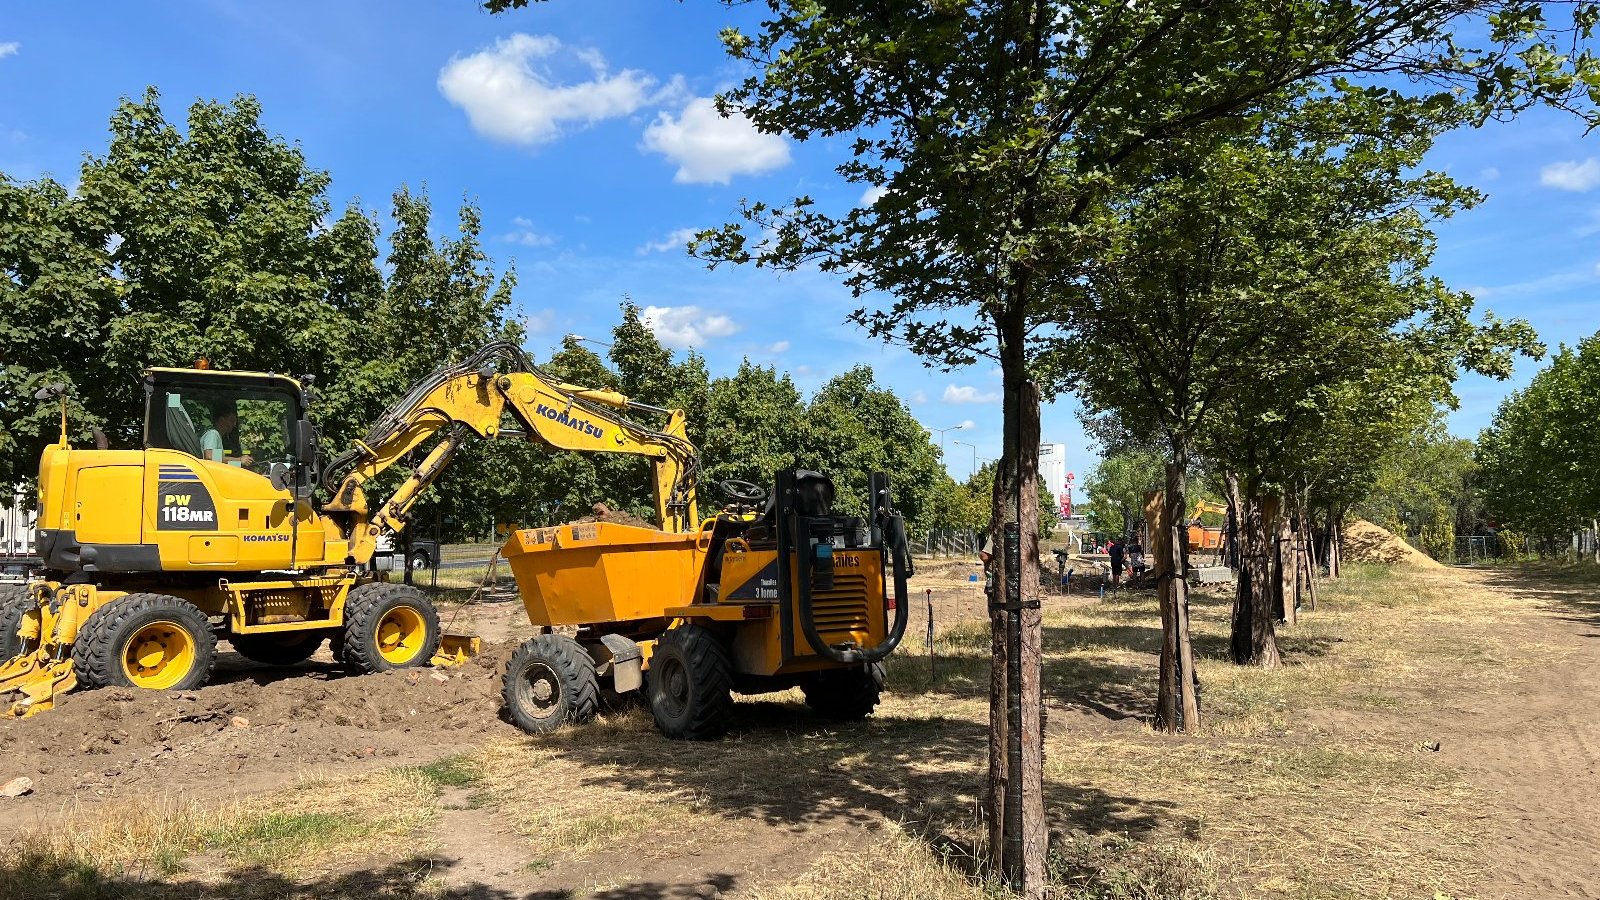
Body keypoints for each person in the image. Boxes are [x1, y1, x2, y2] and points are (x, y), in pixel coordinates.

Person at [200, 403, 254, 469]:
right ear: (221, 420)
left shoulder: (217, 436)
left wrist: (240, 464)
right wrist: (239, 460)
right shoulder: (213, 434)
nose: (234, 425)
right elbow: (209, 457)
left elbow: (218, 461)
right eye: (231, 421)